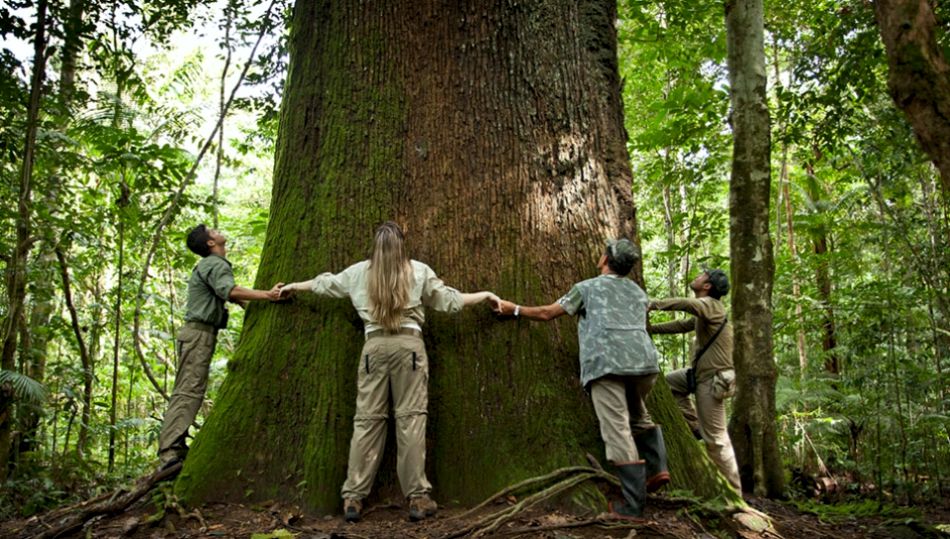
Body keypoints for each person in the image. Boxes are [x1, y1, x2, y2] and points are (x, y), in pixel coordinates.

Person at [278, 221, 499, 523]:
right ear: (402, 244)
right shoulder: (419, 270)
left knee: (367, 421)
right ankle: (418, 499)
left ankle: (353, 498)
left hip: (373, 348)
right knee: (410, 420)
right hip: (408, 346)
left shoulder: (358, 272)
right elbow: (449, 301)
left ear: (375, 246)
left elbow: (324, 284)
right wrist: (485, 294)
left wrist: (293, 286)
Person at [493, 239, 668, 519]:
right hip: (644, 364)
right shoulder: (638, 292)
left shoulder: (587, 288)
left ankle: (632, 505)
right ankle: (658, 468)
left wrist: (513, 309)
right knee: (638, 413)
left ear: (604, 260)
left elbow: (547, 313)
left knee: (617, 429)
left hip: (607, 365)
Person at [158, 225, 283, 469]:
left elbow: (233, 296)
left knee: (189, 387)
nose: (217, 230)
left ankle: (176, 446)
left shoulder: (209, 266)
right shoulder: (215, 264)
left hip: (196, 334)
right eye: (212, 230)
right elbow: (230, 290)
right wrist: (269, 295)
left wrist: (253, 305)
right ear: (210, 243)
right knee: (189, 390)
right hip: (198, 335)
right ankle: (169, 453)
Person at [648, 267, 741, 491]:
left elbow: (688, 305)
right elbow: (682, 325)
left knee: (717, 439)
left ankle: (734, 493)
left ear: (707, 286)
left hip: (712, 380)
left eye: (702, 276)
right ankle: (694, 426)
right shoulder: (706, 313)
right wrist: (649, 329)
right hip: (698, 375)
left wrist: (652, 303)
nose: (697, 277)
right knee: (669, 383)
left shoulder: (710, 305)